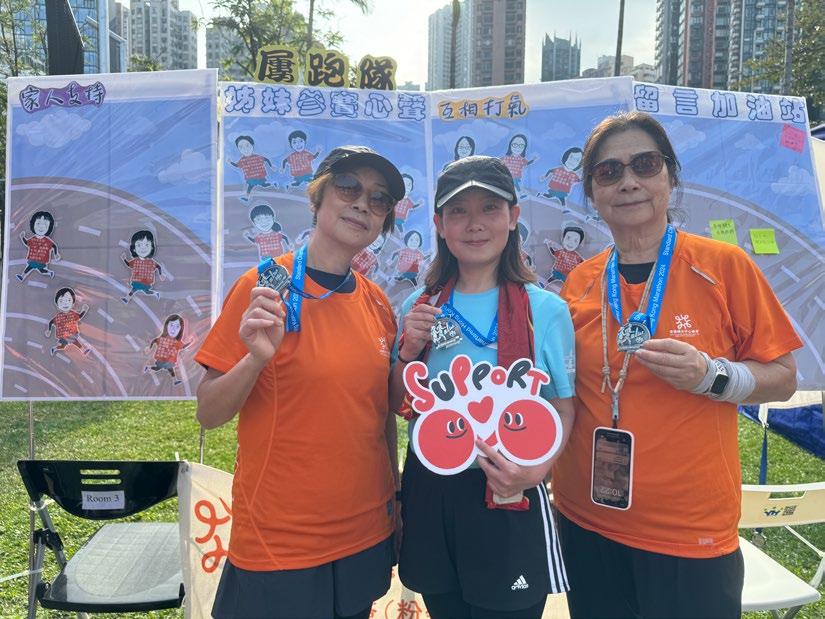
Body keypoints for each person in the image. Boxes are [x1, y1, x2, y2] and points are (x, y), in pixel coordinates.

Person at [552, 111, 802, 619]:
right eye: (609, 172)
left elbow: (784, 379)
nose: (628, 182)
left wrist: (713, 376)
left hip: (689, 533)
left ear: (670, 175)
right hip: (583, 520)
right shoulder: (580, 281)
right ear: (592, 192)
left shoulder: (723, 266)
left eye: (644, 165)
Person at [195, 145, 406, 619]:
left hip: (365, 535)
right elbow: (209, 412)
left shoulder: (377, 304)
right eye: (348, 188)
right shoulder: (262, 288)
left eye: (378, 199)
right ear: (318, 197)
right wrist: (255, 360)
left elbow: (379, 419)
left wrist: (394, 499)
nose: (362, 204)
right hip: (281, 544)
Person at [391, 156, 576, 619]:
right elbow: (398, 401)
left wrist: (535, 473)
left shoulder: (545, 310)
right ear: (439, 225)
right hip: (432, 488)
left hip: (508, 488)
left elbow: (563, 407)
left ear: (513, 218)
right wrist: (408, 350)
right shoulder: (419, 306)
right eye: (458, 211)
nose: (474, 224)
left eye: (490, 208)